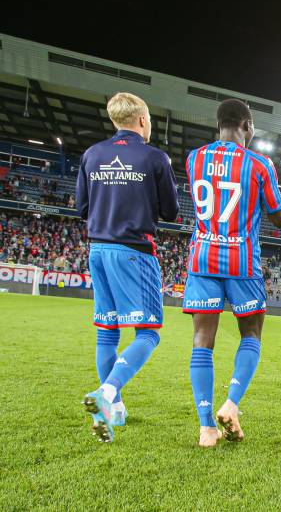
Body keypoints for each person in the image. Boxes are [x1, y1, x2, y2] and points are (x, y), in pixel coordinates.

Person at [183, 99, 281, 447]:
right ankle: (231, 404)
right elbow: (279, 217)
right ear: (247, 124)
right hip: (241, 261)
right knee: (252, 335)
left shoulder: (194, 158)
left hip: (203, 259)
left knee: (202, 341)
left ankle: (205, 428)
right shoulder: (259, 164)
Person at [77, 92, 179, 443]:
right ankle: (107, 392)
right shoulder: (154, 157)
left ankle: (115, 410)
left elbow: (81, 207)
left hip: (97, 250)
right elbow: (171, 211)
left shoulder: (92, 155)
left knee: (107, 332)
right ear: (141, 120)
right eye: (149, 120)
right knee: (148, 332)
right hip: (133, 251)